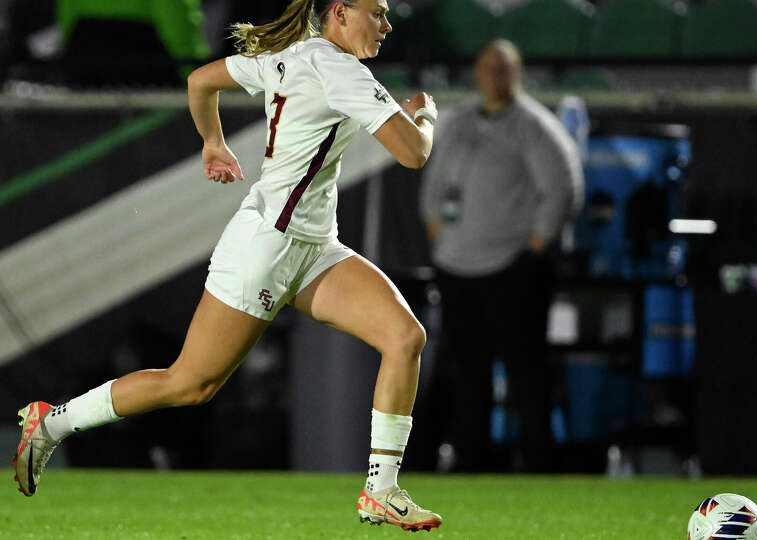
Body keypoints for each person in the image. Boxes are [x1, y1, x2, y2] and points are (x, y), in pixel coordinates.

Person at [14, 0, 443, 531]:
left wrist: (213, 142)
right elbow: (414, 153)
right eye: (376, 13)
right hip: (265, 248)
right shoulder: (338, 68)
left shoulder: (294, 54)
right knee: (189, 384)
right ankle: (51, 424)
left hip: (313, 246)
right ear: (340, 12)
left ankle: (381, 490)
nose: (386, 23)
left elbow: (200, 80)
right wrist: (423, 114)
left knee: (405, 338)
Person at [417, 39, 583, 472]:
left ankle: (538, 468)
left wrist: (535, 245)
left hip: (513, 269)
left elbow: (563, 188)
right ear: (476, 72)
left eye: (504, 68)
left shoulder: (535, 126)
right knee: (466, 374)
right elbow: (432, 184)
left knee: (525, 372)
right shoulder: (457, 123)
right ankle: (470, 466)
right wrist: (439, 232)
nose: (495, 75)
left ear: (517, 73)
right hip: (457, 268)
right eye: (488, 66)